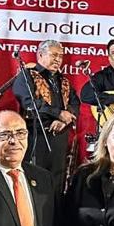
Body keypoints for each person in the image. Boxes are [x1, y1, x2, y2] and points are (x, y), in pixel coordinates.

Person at [12, 39, 80, 193]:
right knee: (35, 178)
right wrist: (58, 114)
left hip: (59, 135)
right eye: (54, 55)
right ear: (40, 55)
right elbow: (28, 102)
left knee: (57, 180)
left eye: (60, 56)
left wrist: (64, 120)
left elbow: (75, 103)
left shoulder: (63, 80)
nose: (58, 59)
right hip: (37, 134)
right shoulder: (27, 76)